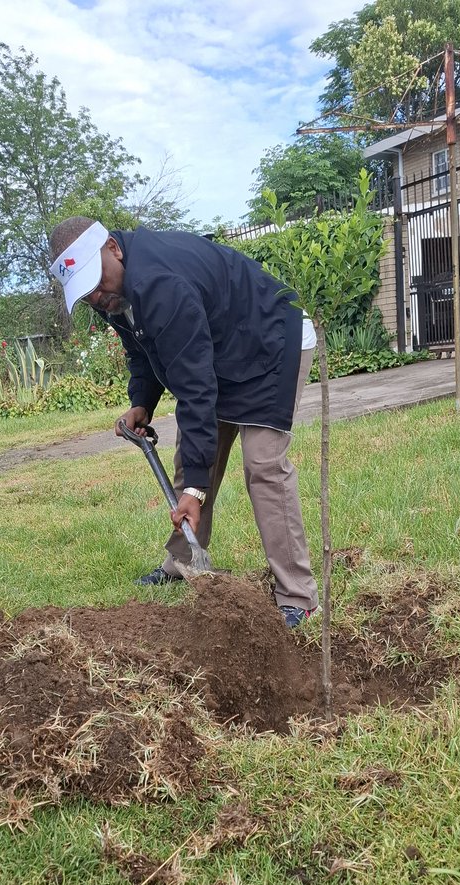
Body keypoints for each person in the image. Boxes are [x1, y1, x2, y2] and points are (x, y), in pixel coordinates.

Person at [47, 217, 318, 628]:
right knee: (193, 456)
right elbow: (142, 350)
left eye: (96, 282)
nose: (97, 297)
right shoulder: (114, 292)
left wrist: (195, 489)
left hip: (270, 341)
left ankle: (297, 595)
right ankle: (183, 560)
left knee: (263, 466)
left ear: (114, 250)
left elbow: (196, 391)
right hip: (224, 347)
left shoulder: (160, 284)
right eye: (86, 292)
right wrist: (142, 402)